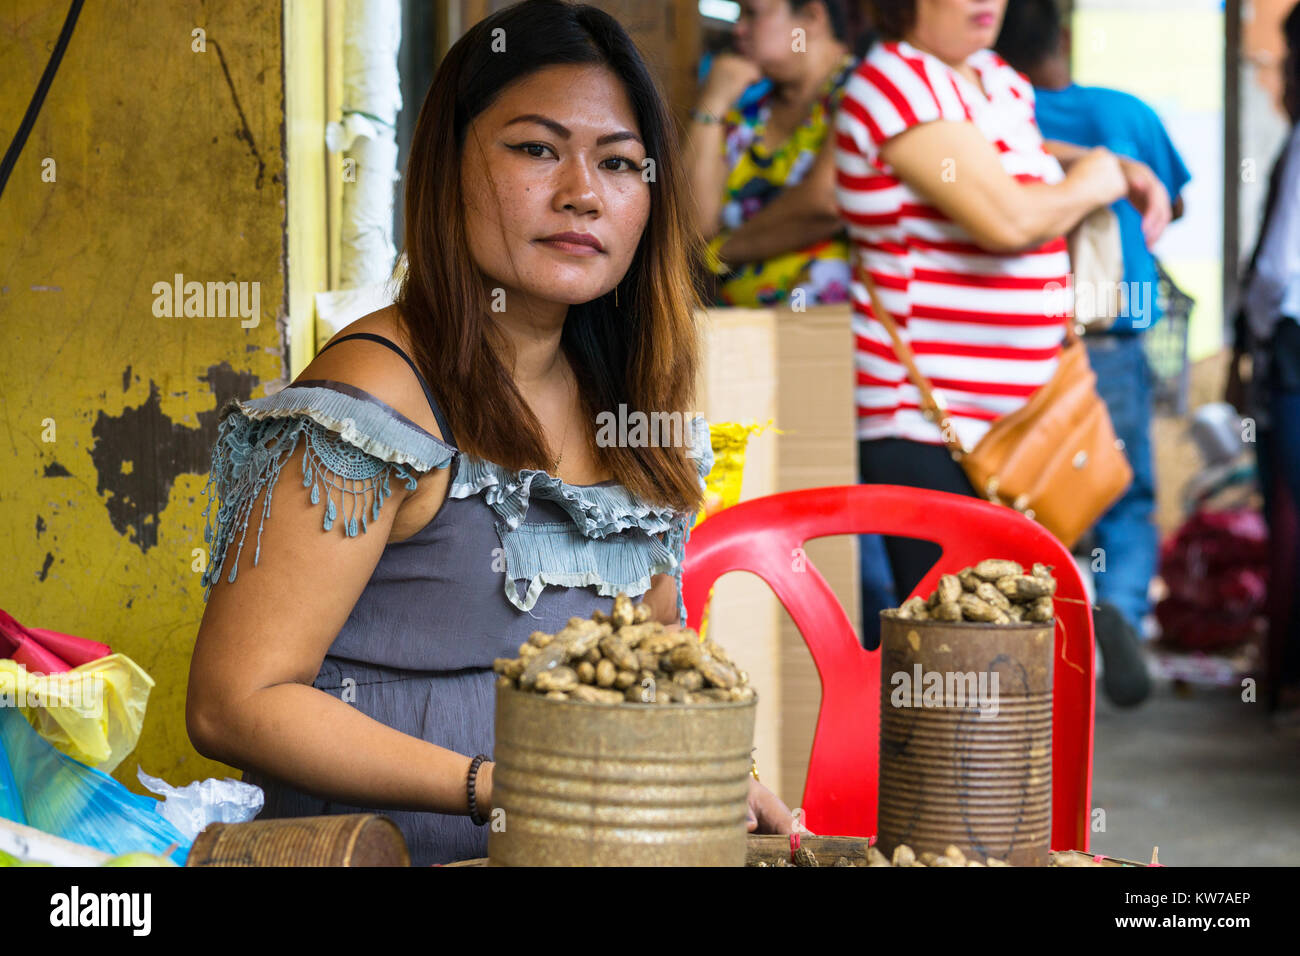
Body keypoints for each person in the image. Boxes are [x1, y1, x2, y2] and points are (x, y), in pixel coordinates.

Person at [186, 0, 794, 867]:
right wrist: (497, 787)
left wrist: (714, 774)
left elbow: (650, 652)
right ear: (448, 166)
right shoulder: (374, 402)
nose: (582, 192)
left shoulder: (633, 402)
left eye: (619, 163)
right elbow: (232, 702)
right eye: (536, 149)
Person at [835, 0, 1167, 673]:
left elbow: (1005, 152)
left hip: (1023, 417)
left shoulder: (995, 77)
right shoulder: (892, 81)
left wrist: (1102, 161)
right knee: (962, 660)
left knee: (1013, 651)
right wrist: (1100, 176)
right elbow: (1008, 218)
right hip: (929, 426)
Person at [996, 0, 1190, 707]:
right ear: (1066, 36)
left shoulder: (991, 119)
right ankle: (1123, 610)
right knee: (1123, 488)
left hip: (1012, 338)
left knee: (1024, 489)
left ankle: (1028, 627)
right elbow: (1173, 204)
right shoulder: (1125, 114)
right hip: (1109, 333)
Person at [686, 0, 858, 306]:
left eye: (752, 13)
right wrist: (712, 102)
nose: (738, 29)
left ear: (811, 16)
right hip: (742, 337)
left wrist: (717, 255)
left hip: (830, 336)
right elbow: (693, 226)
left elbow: (827, 202)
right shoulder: (749, 114)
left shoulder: (862, 92)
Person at [1231, 1, 1300, 729]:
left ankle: (1283, 678)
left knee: (1290, 515)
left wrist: (1251, 336)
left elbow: (1278, 270)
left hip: (1292, 351)